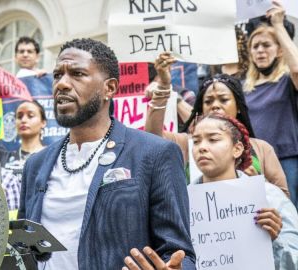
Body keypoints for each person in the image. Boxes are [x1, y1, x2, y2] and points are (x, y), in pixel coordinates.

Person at [18, 38, 195, 269]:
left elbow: (181, 255)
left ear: (109, 88)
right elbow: (23, 251)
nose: (62, 84)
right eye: (57, 75)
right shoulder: (35, 165)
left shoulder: (155, 153)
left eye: (77, 74)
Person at [145, 53, 289, 196]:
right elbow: (152, 138)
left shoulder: (262, 148)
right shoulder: (186, 143)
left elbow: (283, 199)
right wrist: (164, 86)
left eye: (223, 99)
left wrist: (258, 186)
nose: (215, 106)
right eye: (208, 101)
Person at [189, 114, 297, 270]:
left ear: (237, 149)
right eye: (196, 141)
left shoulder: (269, 197)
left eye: (213, 139)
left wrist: (274, 240)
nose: (202, 147)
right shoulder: (183, 200)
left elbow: (294, 262)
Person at [243, 1, 298, 208]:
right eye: (255, 46)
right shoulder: (244, 88)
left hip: (286, 159)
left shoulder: (286, 82)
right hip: (254, 163)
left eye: (266, 45)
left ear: (280, 50)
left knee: (288, 211)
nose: (260, 51)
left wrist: (278, 25)